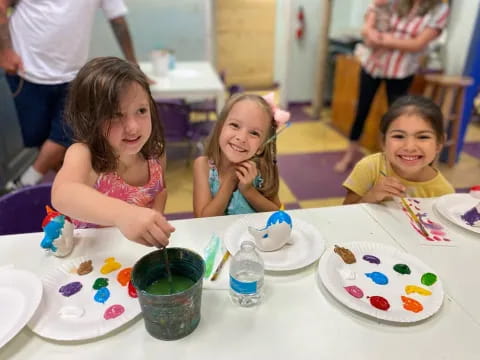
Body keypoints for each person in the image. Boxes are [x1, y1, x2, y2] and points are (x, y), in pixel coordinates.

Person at [0, 0, 141, 190]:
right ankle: (67, 190)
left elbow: (117, 20)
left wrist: (133, 65)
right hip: (26, 72)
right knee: (38, 138)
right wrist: (5, 50)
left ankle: (25, 182)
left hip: (73, 76)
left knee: (67, 134)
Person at [51, 57, 174, 248]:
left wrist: (154, 218)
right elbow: (62, 193)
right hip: (92, 258)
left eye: (141, 110)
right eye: (115, 115)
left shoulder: (155, 152)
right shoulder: (84, 154)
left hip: (134, 254)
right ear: (89, 118)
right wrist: (123, 214)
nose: (133, 127)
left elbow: (160, 191)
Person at [334, 0, 450, 173]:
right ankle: (349, 155)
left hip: (401, 71)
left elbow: (418, 44)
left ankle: (391, 163)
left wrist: (385, 40)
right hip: (373, 64)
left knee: (397, 119)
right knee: (361, 111)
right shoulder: (396, 2)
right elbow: (371, 21)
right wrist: (370, 32)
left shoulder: (439, 9)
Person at [342, 95, 454, 205]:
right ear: (383, 141)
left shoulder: (444, 193)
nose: (409, 147)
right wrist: (371, 197)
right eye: (399, 136)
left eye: (423, 137)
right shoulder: (369, 168)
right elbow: (345, 214)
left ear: (439, 143)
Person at [193, 93, 288, 217]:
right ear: (220, 127)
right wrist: (230, 181)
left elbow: (278, 215)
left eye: (254, 133)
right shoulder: (203, 166)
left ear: (261, 147)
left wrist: (248, 191)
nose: (242, 138)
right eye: (235, 125)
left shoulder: (263, 169)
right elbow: (202, 219)